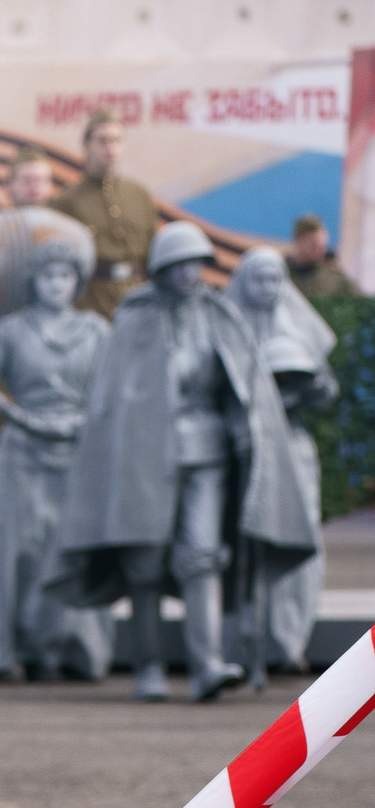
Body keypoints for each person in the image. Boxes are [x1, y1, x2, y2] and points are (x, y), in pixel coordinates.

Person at [52, 221, 318, 702]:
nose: (190, 273)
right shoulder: (134, 318)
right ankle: (148, 667)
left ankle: (207, 665)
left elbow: (244, 383)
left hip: (206, 451)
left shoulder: (218, 315)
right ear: (162, 268)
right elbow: (113, 398)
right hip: (143, 454)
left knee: (201, 559)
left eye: (197, 263)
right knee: (145, 561)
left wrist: (244, 423)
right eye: (180, 264)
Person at [0, 237, 110, 682]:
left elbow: (110, 394)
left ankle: (71, 651)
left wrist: (82, 423)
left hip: (77, 450)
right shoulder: (11, 329)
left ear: (76, 282)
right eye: (47, 276)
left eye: (64, 276)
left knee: (69, 548)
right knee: (7, 550)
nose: (56, 286)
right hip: (20, 448)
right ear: (32, 282)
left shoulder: (96, 330)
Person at [229, 246, 337, 676]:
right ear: (243, 282)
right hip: (246, 448)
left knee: (299, 540)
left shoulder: (299, 327)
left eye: (275, 279)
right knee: (243, 545)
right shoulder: (226, 325)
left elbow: (327, 392)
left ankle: (289, 641)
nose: (267, 288)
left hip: (293, 445)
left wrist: (307, 388)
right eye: (258, 279)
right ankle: (241, 644)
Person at [49, 110, 159, 321]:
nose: (111, 148)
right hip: (92, 304)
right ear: (86, 145)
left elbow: (152, 254)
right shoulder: (68, 201)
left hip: (139, 299)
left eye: (117, 141)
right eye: (103, 141)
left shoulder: (138, 194)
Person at [286, 214, 358, 301]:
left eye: (323, 246)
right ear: (299, 241)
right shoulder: (282, 273)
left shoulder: (333, 276)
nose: (321, 250)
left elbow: (360, 301)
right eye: (314, 245)